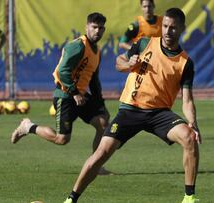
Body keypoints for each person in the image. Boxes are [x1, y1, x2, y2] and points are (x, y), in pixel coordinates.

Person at [63, 8, 201, 203]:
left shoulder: (186, 62)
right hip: (131, 110)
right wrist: (128, 64)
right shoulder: (145, 43)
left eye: (173, 28)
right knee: (101, 153)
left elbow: (187, 100)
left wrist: (193, 123)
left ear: (182, 29)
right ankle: (71, 198)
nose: (168, 31)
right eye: (166, 26)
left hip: (159, 113)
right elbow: (119, 62)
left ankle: (189, 198)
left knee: (189, 137)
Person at [11, 12, 112, 175]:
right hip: (65, 96)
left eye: (101, 28)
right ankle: (28, 127)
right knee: (62, 139)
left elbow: (93, 79)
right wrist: (74, 93)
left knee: (102, 124)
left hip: (82, 97)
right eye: (94, 27)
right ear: (86, 27)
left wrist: (100, 103)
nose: (97, 31)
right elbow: (62, 71)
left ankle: (95, 166)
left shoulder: (97, 51)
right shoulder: (78, 46)